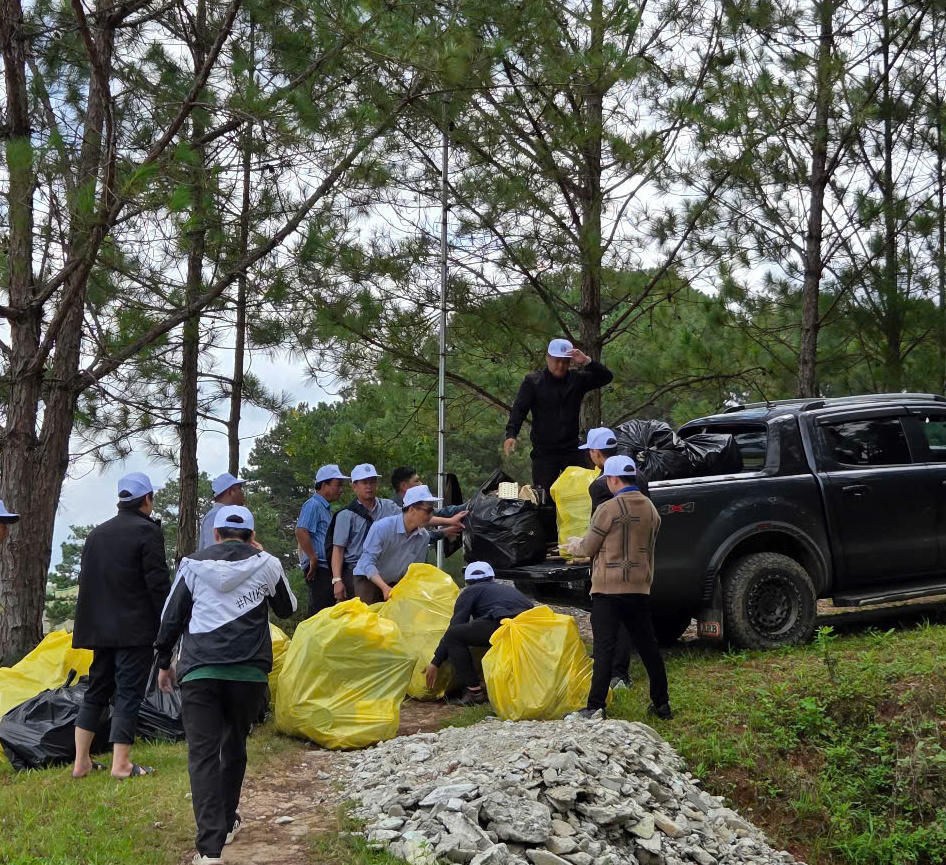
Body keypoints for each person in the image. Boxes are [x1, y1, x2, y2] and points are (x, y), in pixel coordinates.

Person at [155, 505, 297, 865]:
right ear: (251, 536)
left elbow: (171, 618)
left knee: (202, 755)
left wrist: (162, 662)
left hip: (201, 672)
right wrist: (263, 558)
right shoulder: (267, 563)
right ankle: (227, 820)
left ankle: (209, 850)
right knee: (233, 744)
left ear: (216, 534)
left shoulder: (191, 566)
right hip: (248, 674)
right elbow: (287, 608)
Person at [72, 472, 170, 779]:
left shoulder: (97, 534)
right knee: (128, 692)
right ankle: (121, 765)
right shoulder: (148, 533)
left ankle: (81, 762)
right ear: (147, 499)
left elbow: (85, 581)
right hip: (134, 630)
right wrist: (168, 623)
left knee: (96, 690)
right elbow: (157, 584)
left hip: (99, 630)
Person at [566, 455, 672, 721]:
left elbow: (588, 548)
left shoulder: (608, 509)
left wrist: (574, 544)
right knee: (649, 648)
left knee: (604, 649)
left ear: (613, 479)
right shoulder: (650, 509)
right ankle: (662, 705)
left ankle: (595, 706)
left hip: (607, 590)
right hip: (638, 588)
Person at [580, 426, 650, 691]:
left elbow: (600, 525)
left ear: (596, 452)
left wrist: (583, 547)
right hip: (639, 555)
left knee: (609, 618)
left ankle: (615, 673)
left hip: (613, 559)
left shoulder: (600, 486)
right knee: (632, 617)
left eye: (590, 452)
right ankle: (623, 671)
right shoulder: (639, 476)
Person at [503, 338, 613, 492]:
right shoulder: (533, 382)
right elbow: (519, 409)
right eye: (557, 361)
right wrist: (511, 434)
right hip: (544, 453)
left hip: (571, 448)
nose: (561, 366)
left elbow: (606, 377)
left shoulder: (577, 380)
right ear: (548, 358)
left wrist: (587, 361)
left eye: (565, 362)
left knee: (584, 491)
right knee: (544, 499)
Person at [424, 561, 533, 706]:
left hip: (503, 623)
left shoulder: (470, 591)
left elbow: (455, 627)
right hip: (529, 627)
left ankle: (475, 692)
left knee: (454, 635)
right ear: (492, 578)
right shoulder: (506, 590)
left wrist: (435, 662)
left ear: (467, 582)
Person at [353, 484, 440, 603]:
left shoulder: (423, 537)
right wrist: (384, 587)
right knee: (366, 617)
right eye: (428, 511)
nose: (431, 516)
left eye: (432, 511)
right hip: (368, 579)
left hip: (394, 582)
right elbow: (367, 563)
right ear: (411, 509)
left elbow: (414, 570)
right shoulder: (382, 527)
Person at [328, 463, 401, 603]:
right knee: (362, 614)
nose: (369, 486)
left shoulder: (389, 507)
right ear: (354, 486)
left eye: (372, 482)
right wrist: (337, 580)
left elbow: (410, 517)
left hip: (384, 570)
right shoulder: (346, 515)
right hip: (357, 572)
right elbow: (338, 550)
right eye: (364, 482)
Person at [295, 464, 349, 617]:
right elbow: (301, 530)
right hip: (319, 568)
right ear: (324, 485)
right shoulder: (313, 505)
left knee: (326, 610)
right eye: (337, 485)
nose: (341, 489)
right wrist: (312, 558)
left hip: (325, 568)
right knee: (319, 611)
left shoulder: (324, 508)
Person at [390, 465, 468, 543]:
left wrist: (467, 506)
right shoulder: (393, 510)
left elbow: (439, 513)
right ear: (411, 511)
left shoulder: (421, 535)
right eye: (416, 481)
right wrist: (449, 522)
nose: (421, 483)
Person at [198, 472, 247, 551]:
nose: (242, 493)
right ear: (231, 491)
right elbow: (212, 552)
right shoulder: (215, 516)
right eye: (239, 489)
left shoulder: (221, 515)